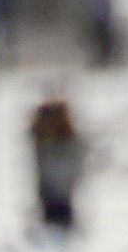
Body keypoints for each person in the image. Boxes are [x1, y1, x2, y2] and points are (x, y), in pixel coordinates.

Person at [25, 88, 89, 242]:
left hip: (60, 198)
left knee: (60, 231)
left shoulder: (69, 141)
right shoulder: (41, 140)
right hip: (48, 196)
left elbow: (72, 169)